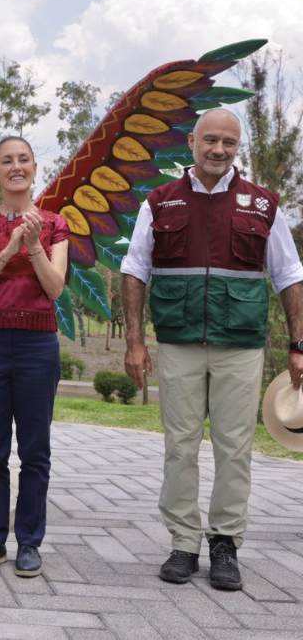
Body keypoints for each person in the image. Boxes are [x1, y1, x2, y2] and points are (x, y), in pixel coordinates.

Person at [121, 108, 303, 591]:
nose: (218, 150)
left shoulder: (263, 205)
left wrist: (299, 345)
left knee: (235, 449)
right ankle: (183, 542)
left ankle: (225, 543)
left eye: (228, 142)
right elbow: (135, 269)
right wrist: (136, 342)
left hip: (240, 347)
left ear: (235, 147)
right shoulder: (159, 203)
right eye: (210, 141)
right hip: (178, 345)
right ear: (193, 142)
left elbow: (289, 275)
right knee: (179, 447)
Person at [0, 136, 69, 579]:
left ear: (34, 167)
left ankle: (29, 542)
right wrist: (8, 248)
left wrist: (34, 243)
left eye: (23, 159)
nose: (15, 167)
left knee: (35, 450)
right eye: (6, 161)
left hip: (36, 347)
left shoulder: (54, 222)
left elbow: (54, 287)